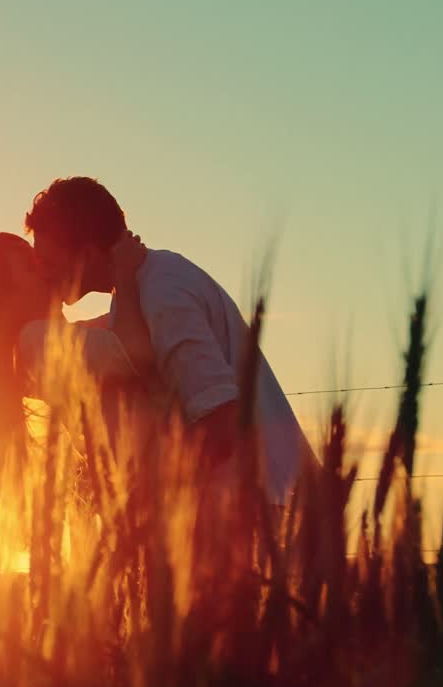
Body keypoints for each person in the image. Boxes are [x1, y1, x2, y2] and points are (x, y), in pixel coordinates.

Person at [23, 176, 316, 508]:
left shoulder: (163, 292)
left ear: (87, 253)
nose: (43, 274)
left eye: (49, 262)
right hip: (250, 512)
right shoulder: (133, 294)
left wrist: (157, 495)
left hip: (268, 514)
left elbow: (221, 421)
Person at [0, 232, 153, 541]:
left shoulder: (34, 346)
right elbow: (133, 347)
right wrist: (123, 276)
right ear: (5, 298)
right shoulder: (36, 344)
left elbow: (110, 329)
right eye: (33, 269)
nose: (48, 274)